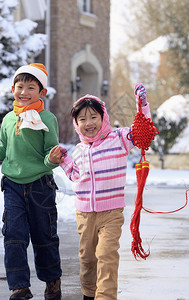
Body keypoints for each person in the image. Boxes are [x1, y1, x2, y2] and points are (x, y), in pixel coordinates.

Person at [0, 63, 63, 300]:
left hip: (40, 186)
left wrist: (52, 159)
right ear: (13, 89)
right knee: (13, 236)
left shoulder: (47, 118)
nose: (24, 92)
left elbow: (50, 152)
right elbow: (3, 151)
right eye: (20, 86)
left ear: (42, 92)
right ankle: (19, 287)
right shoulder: (9, 119)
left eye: (31, 87)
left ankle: (52, 281)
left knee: (45, 237)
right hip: (12, 185)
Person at [51, 84, 151, 300]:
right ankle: (89, 294)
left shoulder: (119, 139)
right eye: (82, 119)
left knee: (106, 255)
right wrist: (64, 160)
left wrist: (142, 105)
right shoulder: (79, 150)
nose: (89, 123)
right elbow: (76, 175)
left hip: (111, 213)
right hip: (85, 215)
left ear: (103, 117)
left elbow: (143, 132)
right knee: (87, 259)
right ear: (76, 124)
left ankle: (105, 297)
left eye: (93, 117)